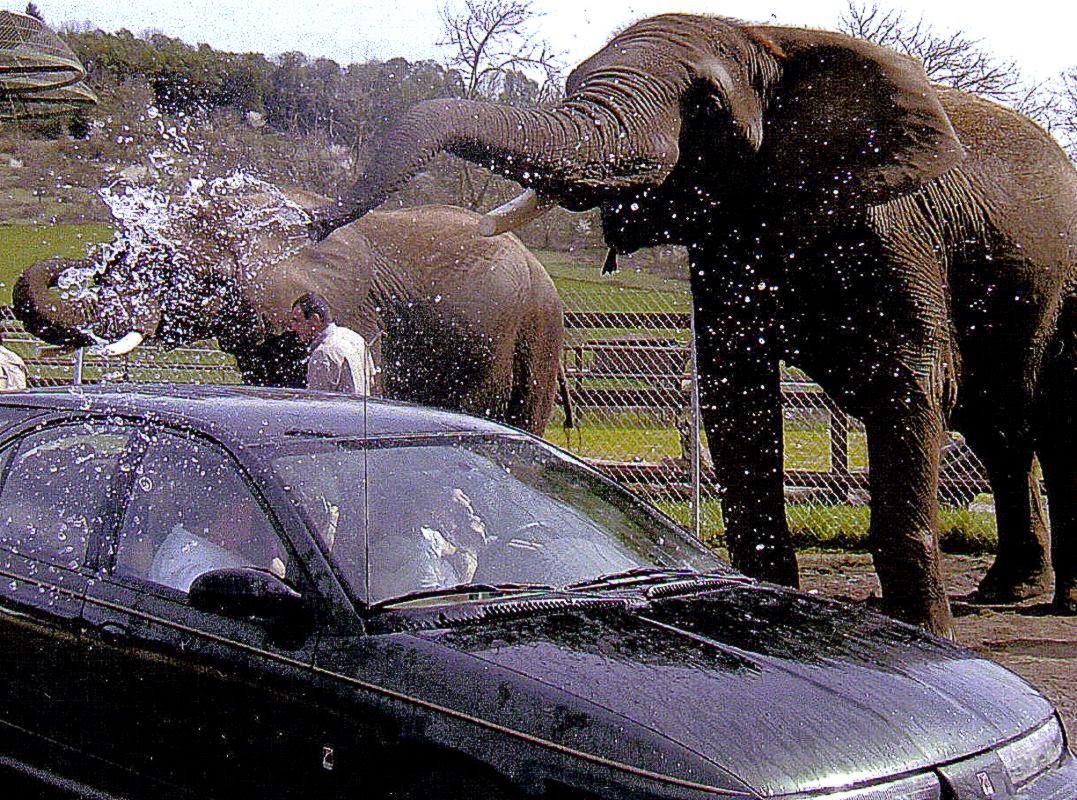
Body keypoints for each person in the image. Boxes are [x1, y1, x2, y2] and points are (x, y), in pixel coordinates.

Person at [289, 292, 376, 395]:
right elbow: (372, 383)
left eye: (297, 321)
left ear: (315, 320)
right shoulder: (356, 338)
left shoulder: (322, 354)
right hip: (362, 410)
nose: (293, 328)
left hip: (342, 410)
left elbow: (317, 404)